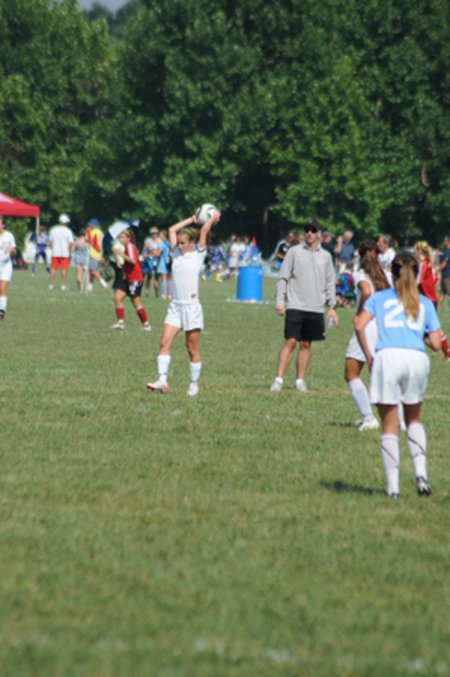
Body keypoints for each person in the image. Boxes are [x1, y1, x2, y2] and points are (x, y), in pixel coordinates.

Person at [354, 252, 441, 499]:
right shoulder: (424, 303)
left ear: (391, 274)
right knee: (413, 420)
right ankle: (421, 476)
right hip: (416, 358)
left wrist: (369, 356)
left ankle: (393, 488)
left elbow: (359, 325)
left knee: (389, 426)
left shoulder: (379, 298)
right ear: (417, 275)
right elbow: (436, 344)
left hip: (388, 357)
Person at [146, 209, 221, 396]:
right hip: (175, 306)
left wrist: (213, 218)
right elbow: (172, 230)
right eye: (178, 243)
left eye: (182, 243)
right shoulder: (176, 255)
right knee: (164, 342)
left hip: (191, 308)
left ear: (191, 243)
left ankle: (194, 384)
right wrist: (191, 219)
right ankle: (162, 380)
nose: (178, 246)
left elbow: (204, 231)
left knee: (191, 348)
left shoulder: (198, 256)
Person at [270, 219, 338, 393]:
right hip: (295, 304)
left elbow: (330, 282)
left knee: (306, 344)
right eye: (307, 230)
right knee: (291, 341)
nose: (309, 233)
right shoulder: (294, 252)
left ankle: (300, 380)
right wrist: (280, 301)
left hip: (315, 307)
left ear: (319, 234)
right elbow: (283, 277)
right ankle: (278, 379)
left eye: (313, 230)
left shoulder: (326, 257)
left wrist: (332, 306)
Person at [344, 240, 391, 430]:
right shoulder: (385, 274)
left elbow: (366, 291)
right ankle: (400, 419)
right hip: (383, 327)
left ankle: (369, 418)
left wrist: (359, 313)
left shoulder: (361, 273)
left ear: (360, 255)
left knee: (351, 373)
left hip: (367, 326)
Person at [415, 240, 450, 361]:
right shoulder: (429, 263)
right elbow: (435, 279)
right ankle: (447, 353)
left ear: (420, 251)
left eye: (415, 250)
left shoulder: (423, 264)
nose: (414, 252)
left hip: (426, 301)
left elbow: (418, 281)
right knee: (433, 328)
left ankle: (444, 351)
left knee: (428, 330)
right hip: (431, 300)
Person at [111, 229, 151, 331]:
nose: (121, 239)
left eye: (123, 237)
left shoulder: (130, 246)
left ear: (128, 239)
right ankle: (120, 323)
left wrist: (120, 253)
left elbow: (132, 261)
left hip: (135, 279)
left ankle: (146, 326)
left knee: (135, 302)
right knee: (117, 297)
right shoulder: (126, 247)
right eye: (120, 237)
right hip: (129, 279)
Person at [49, 214, 74, 291]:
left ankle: (51, 285)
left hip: (55, 253)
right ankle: (63, 286)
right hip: (64, 254)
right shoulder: (68, 231)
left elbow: (50, 242)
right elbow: (70, 243)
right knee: (63, 270)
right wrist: (69, 250)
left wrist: (53, 248)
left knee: (53, 269)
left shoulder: (53, 230)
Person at [0, 216, 17, 320]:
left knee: (2, 288)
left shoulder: (9, 236)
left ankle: (1, 311)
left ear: (4, 225)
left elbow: (15, 252)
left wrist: (11, 249)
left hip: (6, 265)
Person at [86, 218, 108, 292]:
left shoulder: (92, 232)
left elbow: (88, 239)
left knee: (93, 271)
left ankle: (104, 284)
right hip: (98, 253)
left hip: (92, 253)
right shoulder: (101, 232)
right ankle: (90, 286)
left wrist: (88, 231)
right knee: (91, 271)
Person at [142, 227, 162, 297]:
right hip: (149, 260)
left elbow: (159, 252)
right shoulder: (148, 241)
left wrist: (153, 253)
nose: (154, 235)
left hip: (157, 260)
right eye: (152, 233)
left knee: (156, 278)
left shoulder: (160, 241)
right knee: (148, 277)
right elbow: (144, 251)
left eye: (155, 233)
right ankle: (146, 292)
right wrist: (148, 254)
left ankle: (156, 293)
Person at [156, 229, 171, 300]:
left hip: (163, 262)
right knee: (169, 279)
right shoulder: (170, 242)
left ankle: (164, 294)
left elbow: (158, 253)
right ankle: (170, 294)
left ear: (164, 235)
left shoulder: (162, 243)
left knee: (164, 279)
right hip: (170, 262)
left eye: (160, 234)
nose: (159, 236)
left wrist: (152, 253)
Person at [437, 235, 450, 312]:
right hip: (444, 275)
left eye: (445, 240)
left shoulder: (448, 251)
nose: (443, 242)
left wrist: (437, 271)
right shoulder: (446, 251)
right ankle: (437, 309)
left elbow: (444, 263)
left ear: (448, 241)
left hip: (447, 275)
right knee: (442, 293)